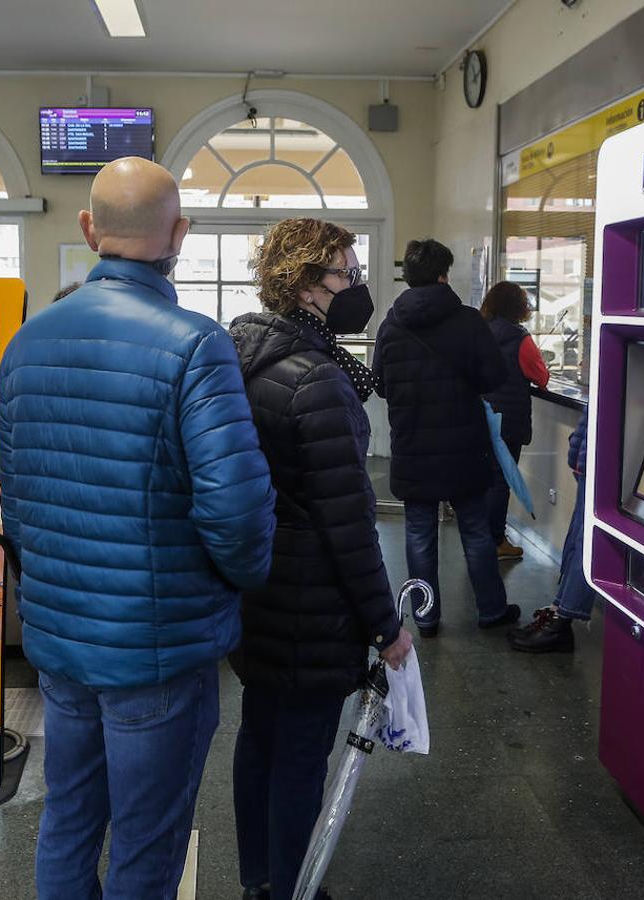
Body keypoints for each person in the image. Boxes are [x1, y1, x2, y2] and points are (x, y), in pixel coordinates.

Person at [0, 157, 277, 900]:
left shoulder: (25, 344)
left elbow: (15, 499)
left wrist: (51, 591)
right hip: (158, 642)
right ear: (179, 233)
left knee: (68, 815)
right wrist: (230, 585)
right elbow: (237, 511)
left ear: (89, 229)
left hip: (61, 636)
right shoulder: (195, 345)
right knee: (148, 841)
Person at [228, 218, 414, 900]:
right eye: (345, 273)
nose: (357, 286)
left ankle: (260, 880)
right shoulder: (317, 381)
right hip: (310, 599)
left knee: (260, 739)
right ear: (306, 284)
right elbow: (346, 520)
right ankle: (293, 887)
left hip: (257, 586)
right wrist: (382, 624)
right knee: (300, 755)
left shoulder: (241, 356)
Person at [372, 238, 518, 636]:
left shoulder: (391, 324)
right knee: (474, 528)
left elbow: (381, 383)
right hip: (463, 445)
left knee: (418, 532)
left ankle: (425, 616)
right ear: (442, 275)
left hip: (412, 443)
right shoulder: (469, 320)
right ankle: (490, 609)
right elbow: (493, 377)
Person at [509, 407, 598, 652]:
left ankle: (561, 620)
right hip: (591, 462)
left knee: (585, 543)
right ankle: (560, 613)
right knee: (578, 537)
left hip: (596, 462)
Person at [480, 281, 551, 561]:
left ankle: (481, 536)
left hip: (479, 415)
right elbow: (542, 378)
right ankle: (496, 540)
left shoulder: (478, 332)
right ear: (518, 308)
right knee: (501, 481)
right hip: (507, 420)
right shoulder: (520, 339)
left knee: (484, 479)